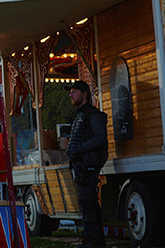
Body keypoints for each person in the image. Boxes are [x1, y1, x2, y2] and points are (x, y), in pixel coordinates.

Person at [66, 79, 109, 248]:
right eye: (71, 91)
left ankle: (93, 241)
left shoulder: (93, 115)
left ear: (84, 94)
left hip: (89, 165)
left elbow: (100, 138)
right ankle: (92, 239)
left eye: (75, 91)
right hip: (82, 165)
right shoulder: (81, 115)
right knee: (86, 202)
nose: (71, 94)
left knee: (88, 202)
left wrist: (80, 149)